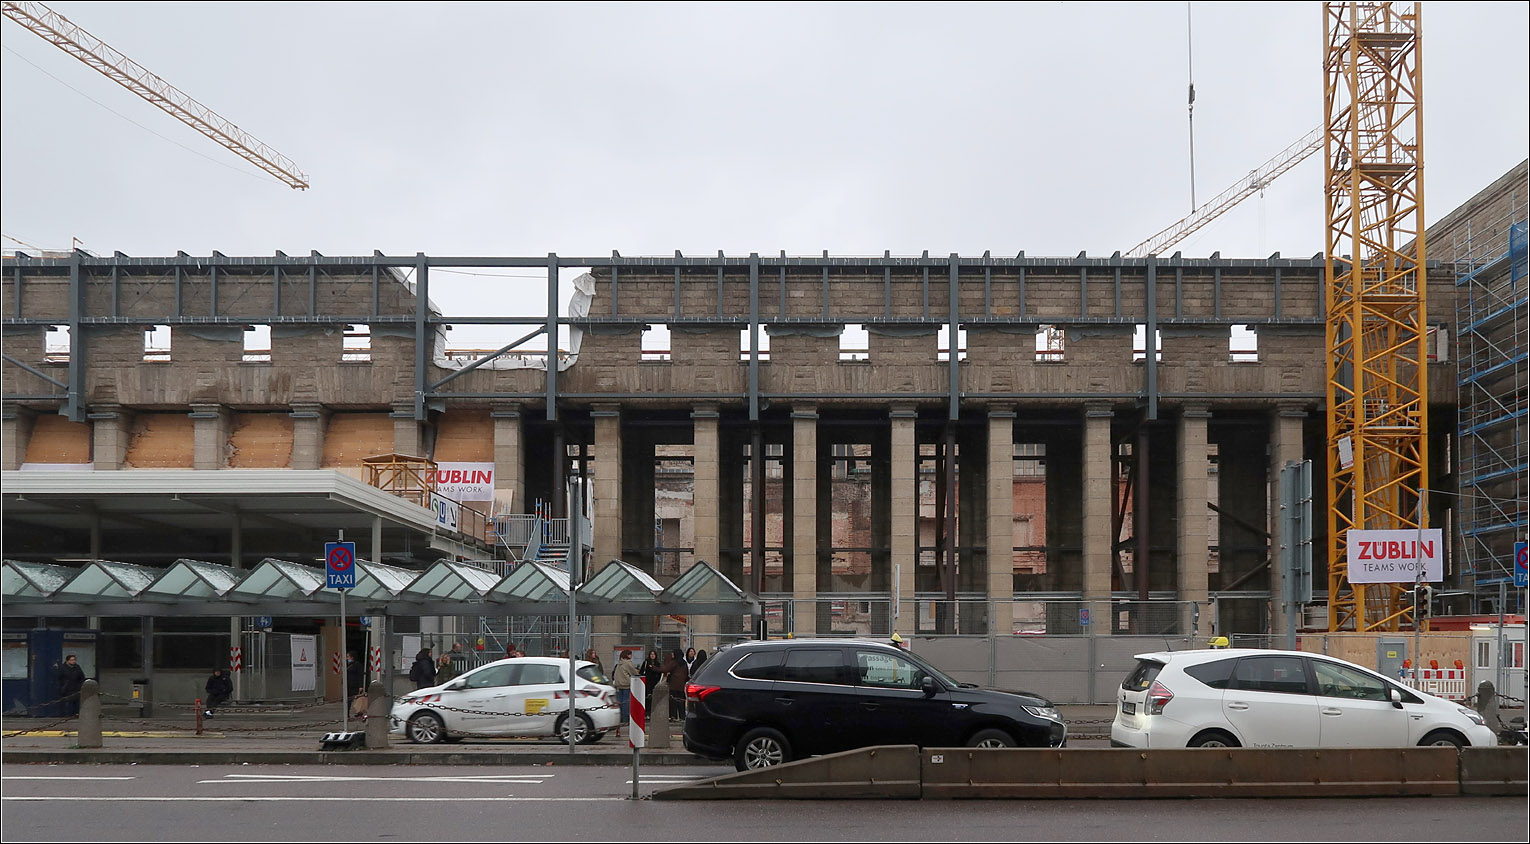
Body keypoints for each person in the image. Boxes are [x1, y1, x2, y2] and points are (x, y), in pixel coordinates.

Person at [610, 649, 640, 724]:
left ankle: (619, 718)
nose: (631, 656)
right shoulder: (628, 663)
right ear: (627, 655)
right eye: (630, 654)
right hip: (626, 685)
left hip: (618, 685)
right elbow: (634, 672)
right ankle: (625, 718)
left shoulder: (620, 663)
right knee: (626, 702)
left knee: (620, 702)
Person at [663, 648, 689, 723]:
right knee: (681, 701)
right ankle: (682, 716)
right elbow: (686, 673)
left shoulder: (673, 662)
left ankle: (673, 716)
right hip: (681, 685)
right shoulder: (684, 663)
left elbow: (667, 670)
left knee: (673, 701)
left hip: (673, 684)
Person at [640, 649, 662, 715]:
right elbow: (642, 671)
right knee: (647, 697)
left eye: (653, 654)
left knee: (653, 698)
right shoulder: (646, 662)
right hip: (647, 682)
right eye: (651, 654)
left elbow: (659, 672)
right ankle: (646, 712)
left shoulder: (657, 663)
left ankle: (652, 712)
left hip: (654, 682)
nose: (652, 656)